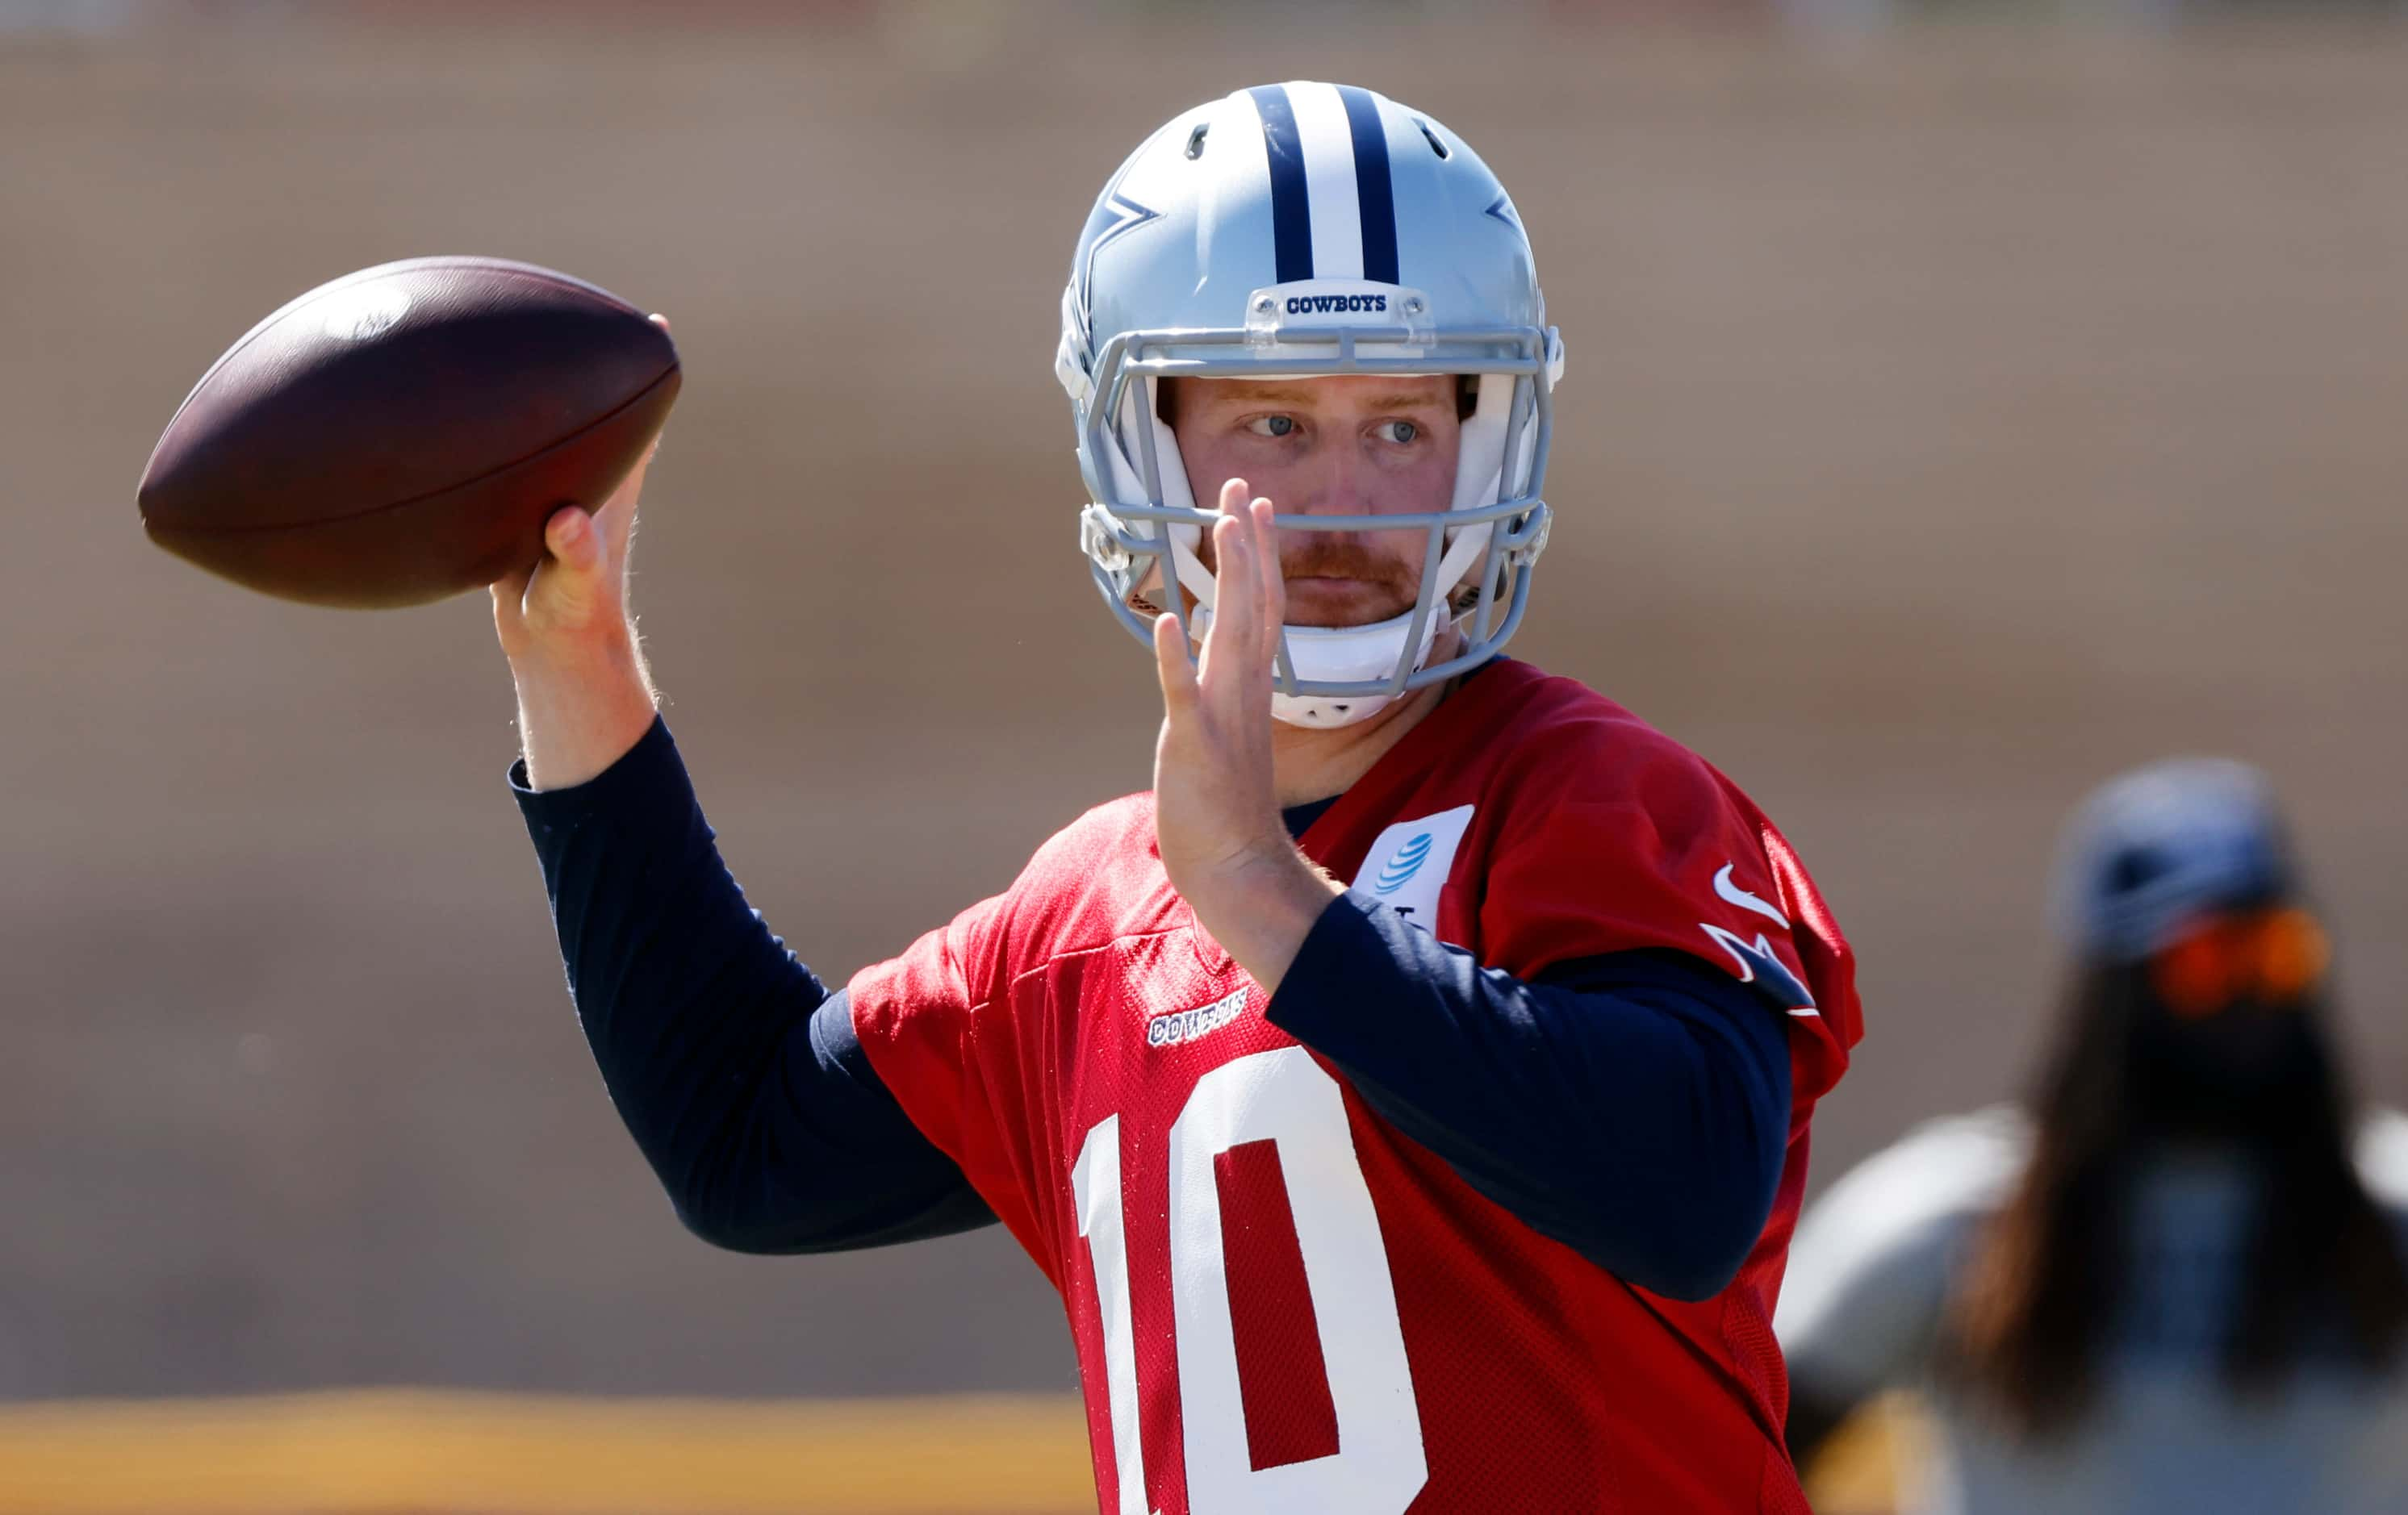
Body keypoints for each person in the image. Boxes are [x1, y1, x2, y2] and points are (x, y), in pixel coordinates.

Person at [497, 81, 1861, 1514]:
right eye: (1270, 422)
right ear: (1138, 437)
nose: (1344, 498)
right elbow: (743, 1137)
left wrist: (1269, 899)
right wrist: (578, 666)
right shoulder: (1088, 919)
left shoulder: (1588, 793)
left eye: (1399, 426)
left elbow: (1684, 1185)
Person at [1778, 758, 2408, 1514]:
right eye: (2204, 960)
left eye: (2273, 952)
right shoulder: (1950, 1225)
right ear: (2113, 993)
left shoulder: (2388, 1219)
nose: (2249, 998)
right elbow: (1748, 1441)